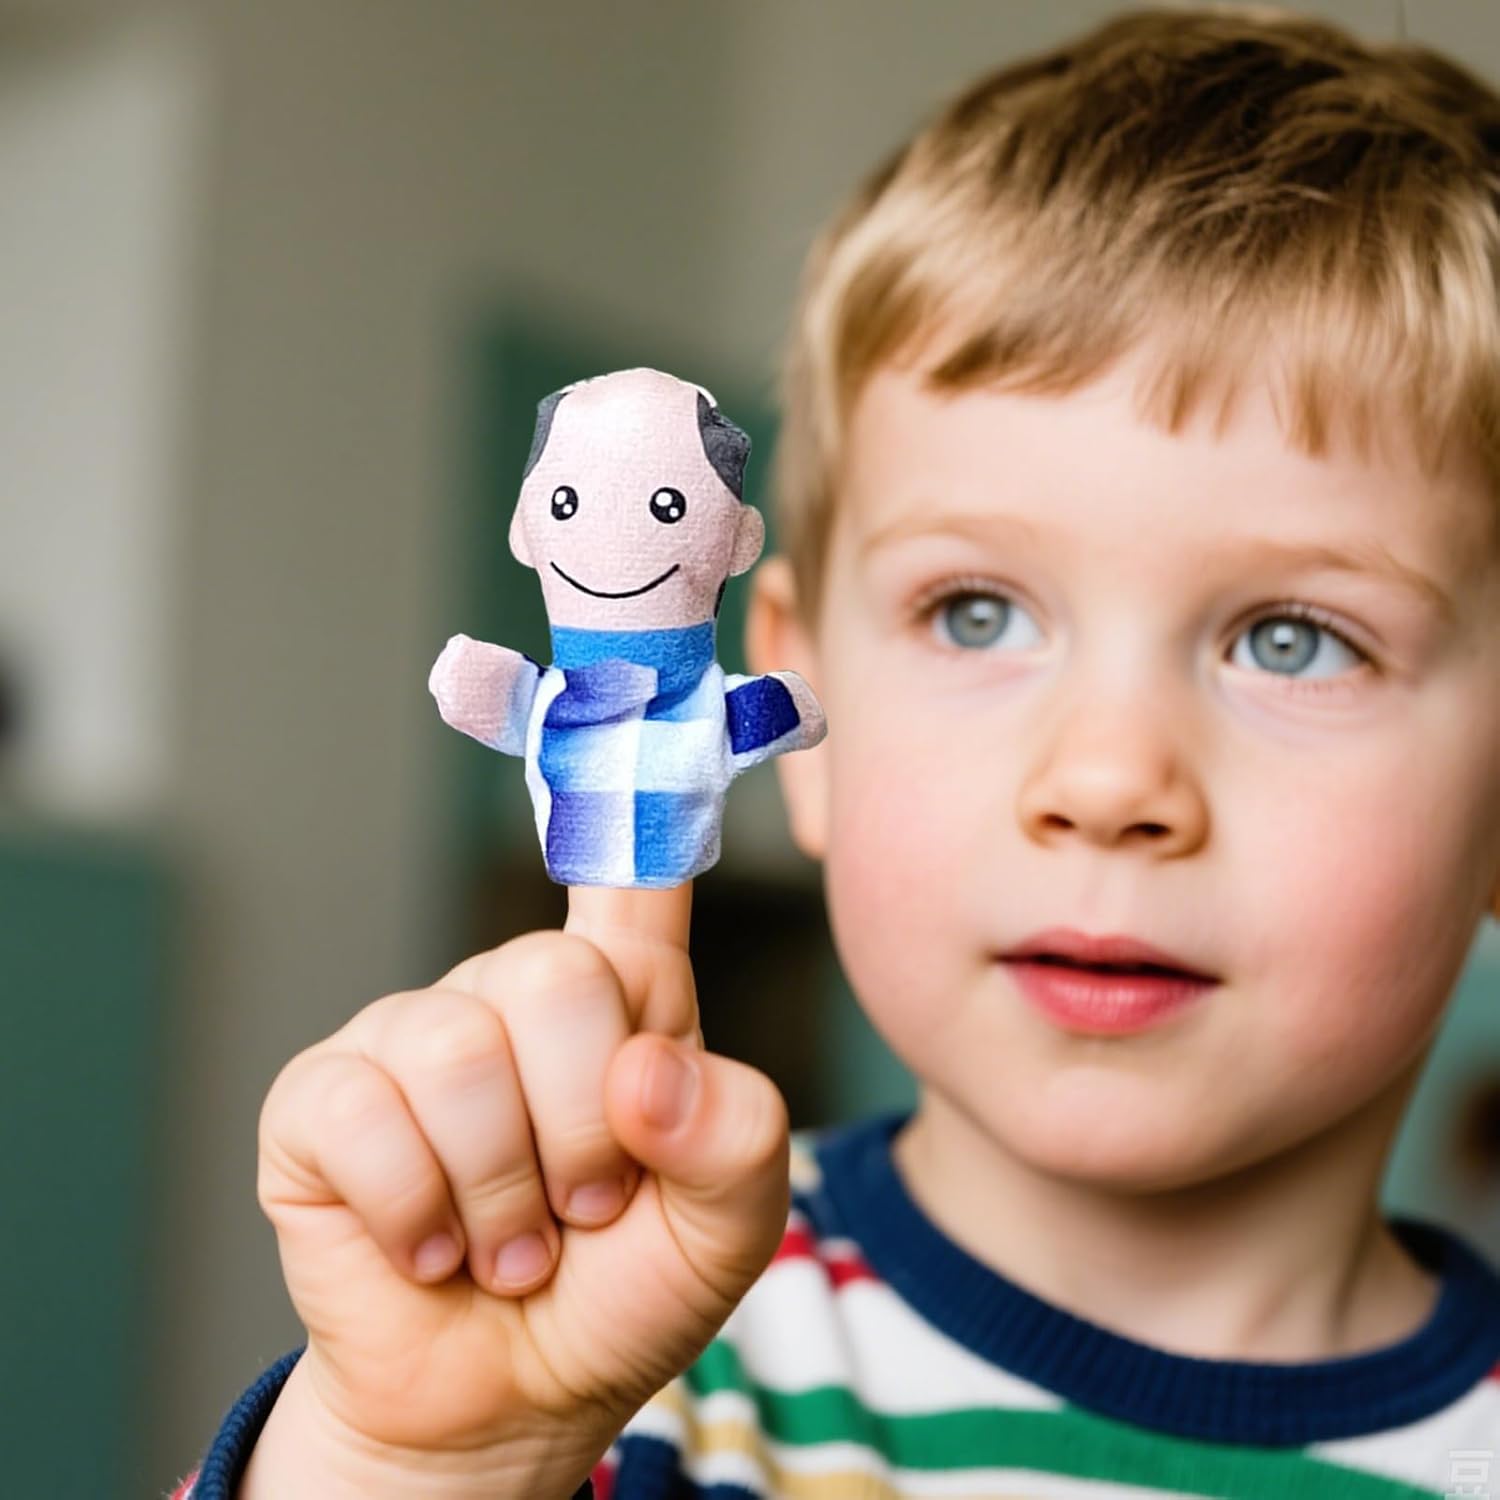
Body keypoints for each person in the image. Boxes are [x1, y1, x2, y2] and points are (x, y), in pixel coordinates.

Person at [172, 7, 1500, 1497]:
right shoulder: (615, 1346)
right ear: (799, 710)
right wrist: (418, 1459)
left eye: (1297, 640)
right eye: (977, 612)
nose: (1107, 783)